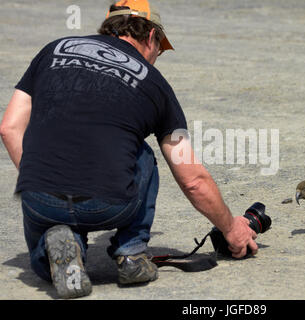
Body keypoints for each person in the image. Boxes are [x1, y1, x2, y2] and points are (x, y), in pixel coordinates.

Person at [0, 0, 257, 299]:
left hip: (41, 196)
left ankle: (63, 250)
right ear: (151, 38)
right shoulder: (155, 84)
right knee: (144, 153)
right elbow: (193, 179)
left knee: (49, 238)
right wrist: (230, 228)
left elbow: (9, 128)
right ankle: (131, 253)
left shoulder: (53, 49)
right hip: (108, 202)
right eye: (160, 49)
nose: (157, 57)